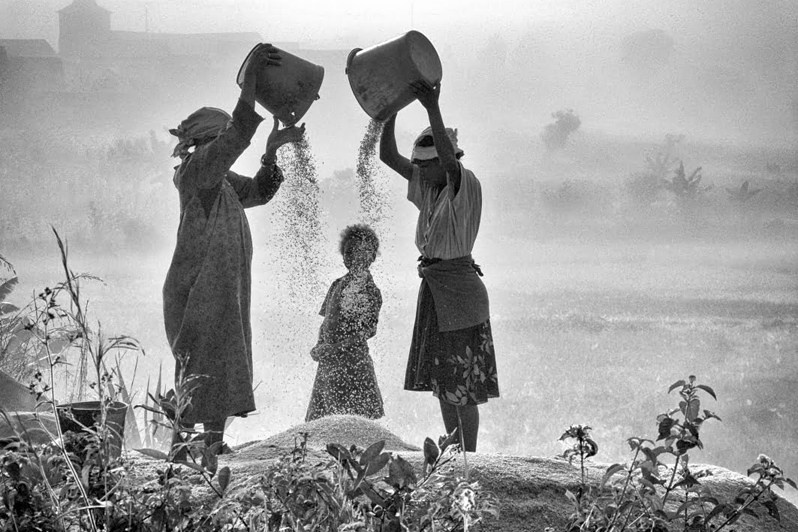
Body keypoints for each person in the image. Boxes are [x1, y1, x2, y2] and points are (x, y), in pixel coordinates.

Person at [163, 43, 305, 455]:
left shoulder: (220, 181)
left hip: (224, 291)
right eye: (220, 141)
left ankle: (211, 443)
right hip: (198, 292)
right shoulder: (197, 173)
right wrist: (251, 84)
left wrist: (272, 151)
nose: (226, 148)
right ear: (207, 143)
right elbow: (237, 133)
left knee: (222, 363)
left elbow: (260, 191)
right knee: (200, 366)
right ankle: (183, 446)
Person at [378, 80, 499, 452]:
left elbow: (448, 161)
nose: (417, 171)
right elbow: (388, 157)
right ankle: (455, 450)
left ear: (442, 164)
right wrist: (392, 108)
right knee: (444, 383)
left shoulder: (462, 185)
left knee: (464, 386)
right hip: (435, 289)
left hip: (459, 294)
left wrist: (432, 106)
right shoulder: (431, 189)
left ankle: (470, 454)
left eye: (422, 166)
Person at [305, 224, 384, 422]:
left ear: (372, 256)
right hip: (329, 362)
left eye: (360, 251)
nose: (353, 256)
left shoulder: (370, 290)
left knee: (354, 421)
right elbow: (325, 323)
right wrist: (320, 344)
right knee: (324, 421)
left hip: (354, 363)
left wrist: (335, 348)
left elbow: (366, 332)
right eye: (348, 252)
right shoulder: (336, 284)